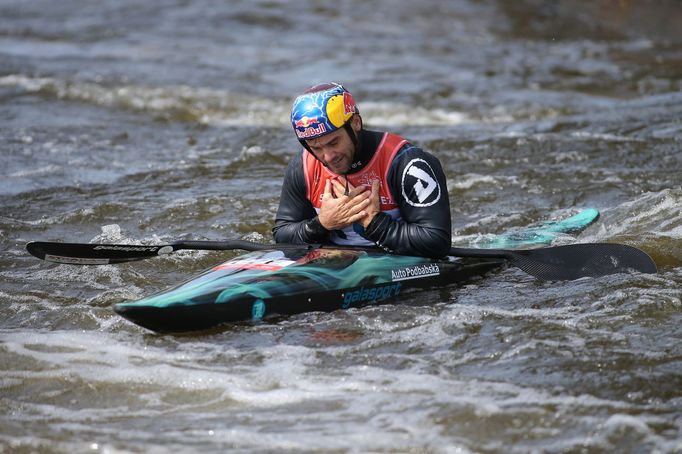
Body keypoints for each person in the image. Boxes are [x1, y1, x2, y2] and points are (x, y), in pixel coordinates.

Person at [273, 82, 451, 258]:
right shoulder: (303, 166)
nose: (327, 156)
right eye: (316, 147)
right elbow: (282, 235)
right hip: (334, 264)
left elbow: (436, 241)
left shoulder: (408, 163)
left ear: (355, 123)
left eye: (333, 142)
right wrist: (322, 223)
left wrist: (373, 222)